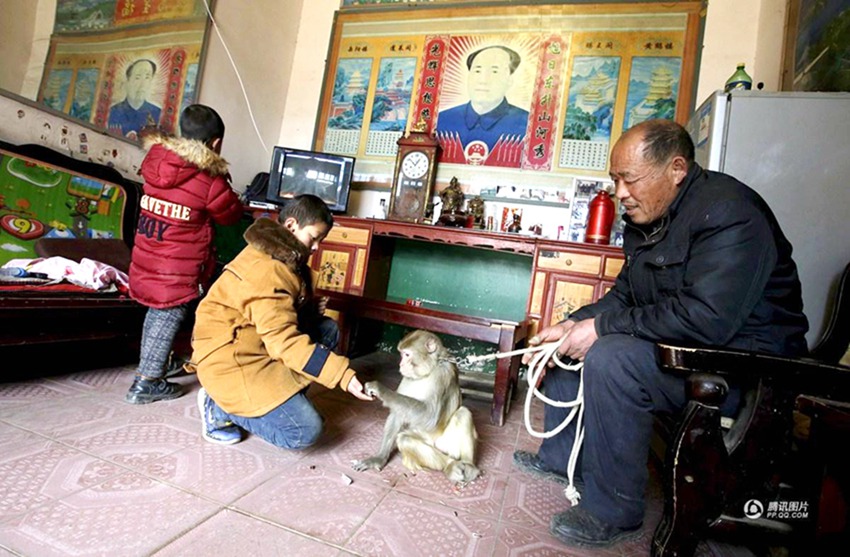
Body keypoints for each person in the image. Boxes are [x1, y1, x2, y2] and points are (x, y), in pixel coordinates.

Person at [512, 119, 808, 548]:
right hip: (692, 348)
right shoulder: (650, 218)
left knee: (612, 357)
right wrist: (575, 325)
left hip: (747, 368)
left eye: (629, 179)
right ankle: (560, 461)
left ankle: (612, 510)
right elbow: (626, 296)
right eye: (615, 180)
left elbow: (706, 320)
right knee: (574, 334)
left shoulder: (730, 213)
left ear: (676, 168)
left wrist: (600, 329)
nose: (620, 193)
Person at [190, 194, 373, 447]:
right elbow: (283, 341)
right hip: (231, 361)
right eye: (314, 238)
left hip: (256, 346)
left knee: (326, 329)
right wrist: (341, 374)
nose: (317, 247)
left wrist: (307, 308)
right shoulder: (266, 270)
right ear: (291, 226)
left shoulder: (282, 255)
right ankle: (219, 405)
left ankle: (278, 399)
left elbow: (276, 315)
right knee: (304, 432)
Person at [125, 104, 243, 404]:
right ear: (215, 143)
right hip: (177, 265)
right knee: (169, 311)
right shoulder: (208, 180)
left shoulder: (156, 162)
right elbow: (231, 215)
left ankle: (160, 363)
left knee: (159, 310)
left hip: (148, 254)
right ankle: (147, 382)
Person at [437, 45, 529, 156]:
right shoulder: (442, 120)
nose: (483, 80)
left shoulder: (527, 124)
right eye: (477, 71)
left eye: (495, 72)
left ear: (510, 80)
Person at [108, 59, 162, 139]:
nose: (142, 84)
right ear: (128, 81)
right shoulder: (113, 111)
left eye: (147, 77)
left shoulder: (157, 113)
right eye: (137, 77)